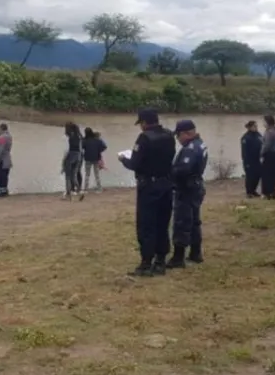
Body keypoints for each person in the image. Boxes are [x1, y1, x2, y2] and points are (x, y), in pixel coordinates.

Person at [119, 108, 176, 277]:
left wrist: (123, 159)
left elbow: (135, 163)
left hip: (149, 187)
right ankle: (160, 261)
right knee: (162, 223)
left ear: (144, 122)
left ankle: (146, 263)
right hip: (166, 184)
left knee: (146, 224)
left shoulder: (144, 138)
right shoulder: (169, 135)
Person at [168, 119, 208, 268]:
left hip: (186, 189)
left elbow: (183, 170)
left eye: (178, 135)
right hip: (196, 186)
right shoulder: (200, 144)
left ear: (187, 133)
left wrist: (169, 173)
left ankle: (178, 257)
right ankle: (195, 253)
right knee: (194, 221)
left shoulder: (190, 148)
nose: (178, 139)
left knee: (182, 222)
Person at [260, 115, 275, 199]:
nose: (263, 123)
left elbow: (266, 145)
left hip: (269, 154)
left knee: (267, 174)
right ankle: (272, 192)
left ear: (268, 122)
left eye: (264, 121)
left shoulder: (270, 132)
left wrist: (261, 153)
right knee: (272, 174)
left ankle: (267, 193)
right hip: (274, 154)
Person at [61, 122, 83, 200]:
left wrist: (63, 163)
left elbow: (66, 150)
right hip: (78, 156)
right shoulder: (79, 136)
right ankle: (80, 192)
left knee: (67, 177)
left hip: (70, 156)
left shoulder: (68, 137)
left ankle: (68, 195)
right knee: (74, 176)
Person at [241, 120, 263, 198]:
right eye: (254, 126)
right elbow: (244, 151)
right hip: (249, 160)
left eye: (256, 126)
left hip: (258, 159)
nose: (256, 128)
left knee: (257, 175)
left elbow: (262, 143)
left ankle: (254, 190)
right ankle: (249, 192)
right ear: (250, 127)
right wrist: (246, 162)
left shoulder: (259, 135)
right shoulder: (246, 137)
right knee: (250, 176)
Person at [81, 127, 107, 192]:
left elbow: (82, 147)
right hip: (96, 158)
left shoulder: (85, 140)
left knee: (87, 174)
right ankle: (99, 188)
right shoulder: (97, 140)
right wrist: (99, 151)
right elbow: (104, 147)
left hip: (88, 158)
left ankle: (86, 189)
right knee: (97, 174)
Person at [0, 123, 13, 197]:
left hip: (2, 160)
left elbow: (0, 150)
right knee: (5, 175)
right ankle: (5, 190)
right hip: (8, 158)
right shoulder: (9, 136)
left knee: (1, 175)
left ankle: (2, 191)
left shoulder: (2, 137)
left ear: (1, 129)